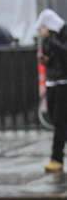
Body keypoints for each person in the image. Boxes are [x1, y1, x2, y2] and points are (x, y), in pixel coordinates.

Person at [37, 9, 67, 173]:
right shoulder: (47, 40)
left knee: (60, 121)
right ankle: (57, 155)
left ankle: (56, 158)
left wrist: (53, 40)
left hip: (63, 83)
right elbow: (51, 59)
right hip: (52, 82)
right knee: (56, 119)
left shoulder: (60, 36)